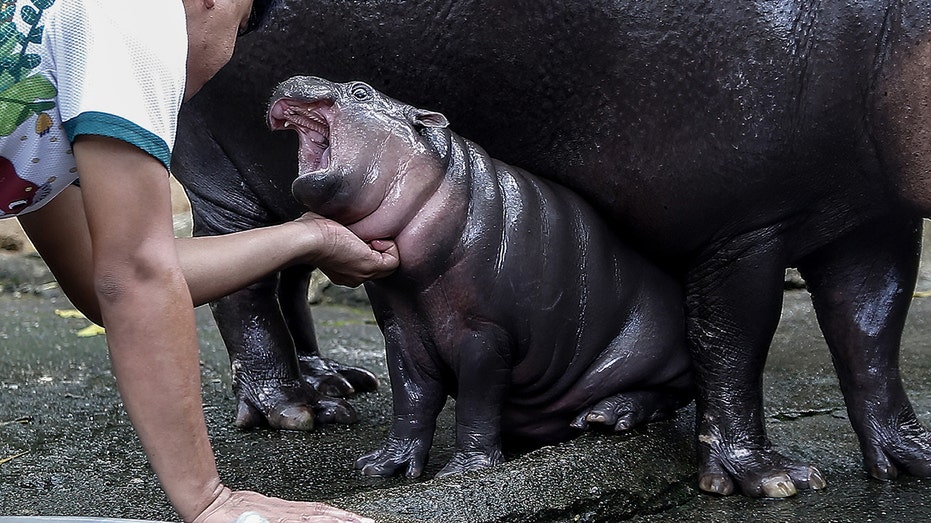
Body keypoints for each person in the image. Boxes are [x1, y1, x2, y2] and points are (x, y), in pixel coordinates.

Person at [0, 0, 397, 521]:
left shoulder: (48, 80)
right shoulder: (138, 14)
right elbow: (136, 277)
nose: (226, 56)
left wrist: (310, 237)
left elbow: (106, 278)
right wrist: (210, 501)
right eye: (239, 27)